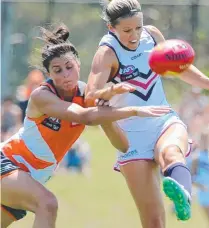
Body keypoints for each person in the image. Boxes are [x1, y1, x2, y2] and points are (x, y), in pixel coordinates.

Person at [0, 24, 171, 228]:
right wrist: (133, 111)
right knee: (47, 204)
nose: (65, 75)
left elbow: (123, 145)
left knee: (44, 204)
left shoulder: (87, 94)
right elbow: (86, 117)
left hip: (30, 177)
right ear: (49, 74)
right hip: (8, 163)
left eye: (69, 67)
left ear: (79, 65)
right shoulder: (42, 96)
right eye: (57, 70)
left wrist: (106, 114)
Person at [85, 0, 209, 227]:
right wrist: (110, 91)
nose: (134, 35)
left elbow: (179, 68)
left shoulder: (151, 35)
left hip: (164, 121)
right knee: (153, 221)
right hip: (130, 137)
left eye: (138, 27)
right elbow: (90, 96)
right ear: (112, 28)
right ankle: (180, 191)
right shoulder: (107, 53)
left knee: (171, 154)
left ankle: (182, 194)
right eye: (127, 30)